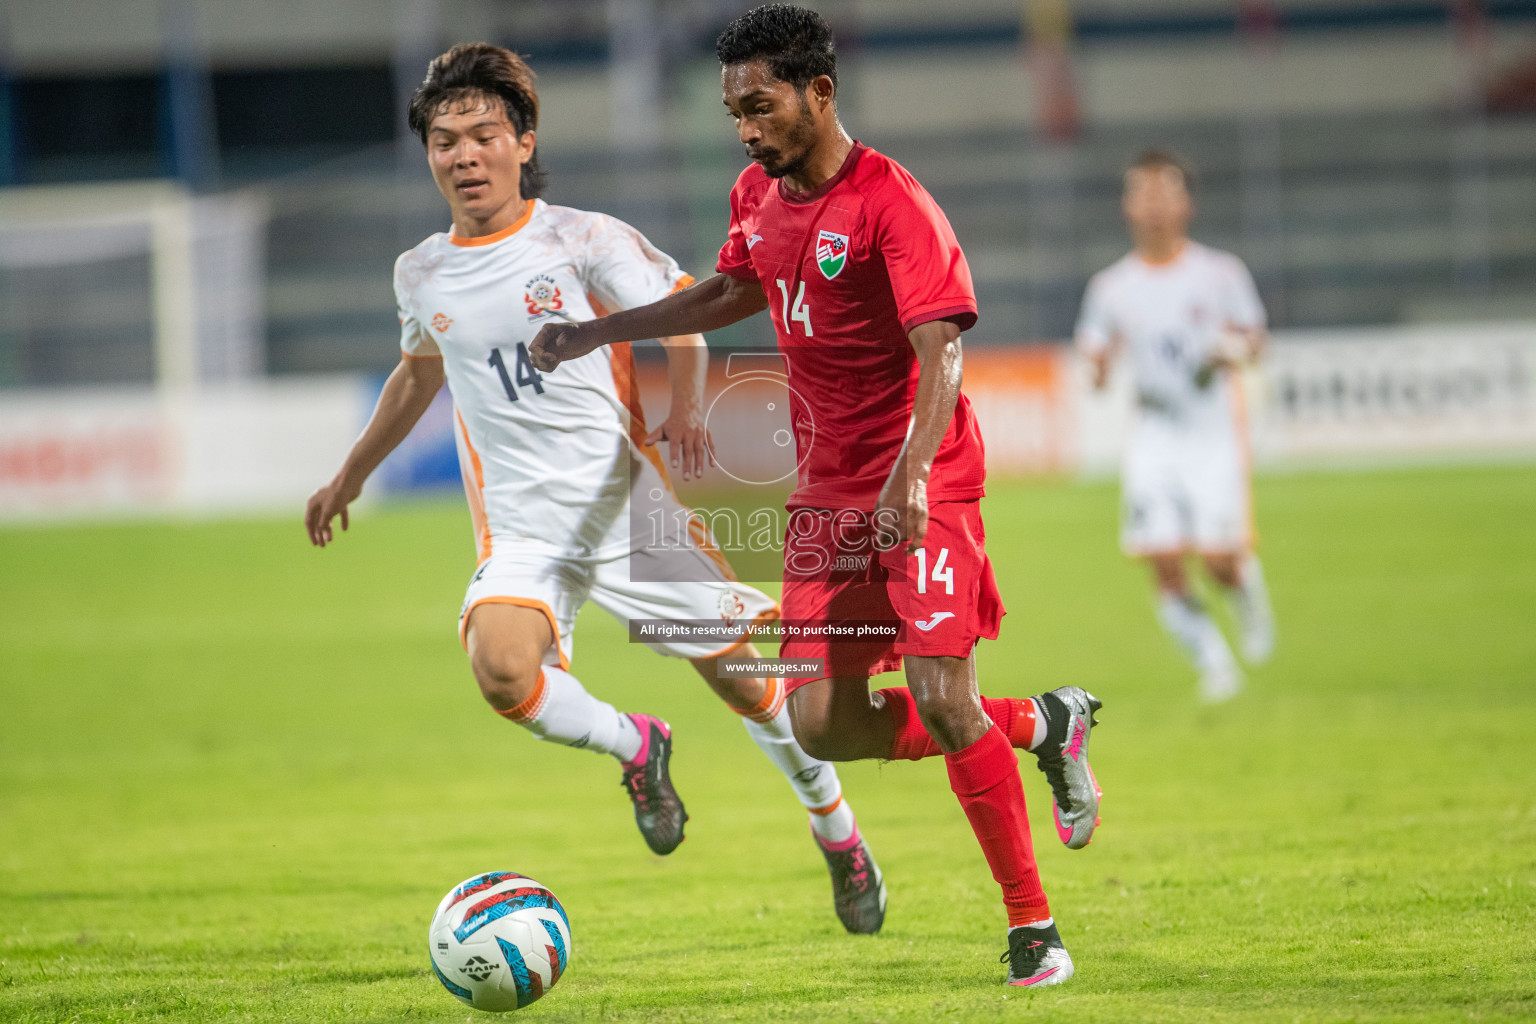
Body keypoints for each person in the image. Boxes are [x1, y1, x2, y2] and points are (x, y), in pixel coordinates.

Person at [529, 4, 1102, 988]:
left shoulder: (894, 203)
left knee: (936, 687)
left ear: (819, 93)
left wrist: (912, 476)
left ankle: (1034, 928)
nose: (747, 130)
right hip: (827, 492)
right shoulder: (756, 191)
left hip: (923, 475)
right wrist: (595, 333)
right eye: (733, 113)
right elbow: (727, 291)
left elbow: (944, 351)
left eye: (761, 108)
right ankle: (1044, 723)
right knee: (820, 723)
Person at [303, 42, 888, 935]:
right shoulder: (420, 271)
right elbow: (417, 373)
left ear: (523, 141)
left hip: (628, 512)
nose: (463, 156)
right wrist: (350, 472)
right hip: (523, 531)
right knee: (501, 669)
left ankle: (836, 829)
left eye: (482, 135)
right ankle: (636, 743)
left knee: (746, 682)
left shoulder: (582, 239)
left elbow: (685, 322)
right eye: (444, 141)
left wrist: (688, 412)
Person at [1074, 149, 1277, 703]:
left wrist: (1230, 350)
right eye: (1144, 193)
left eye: (1165, 192)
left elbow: (1256, 341)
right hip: (1154, 435)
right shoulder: (1111, 287)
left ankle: (1246, 590)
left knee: (1217, 561)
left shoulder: (1220, 273)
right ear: (1127, 206)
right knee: (1163, 559)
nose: (1155, 205)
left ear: (1187, 202)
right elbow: (1094, 351)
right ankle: (1216, 666)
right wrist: (1096, 368)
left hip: (1211, 432)